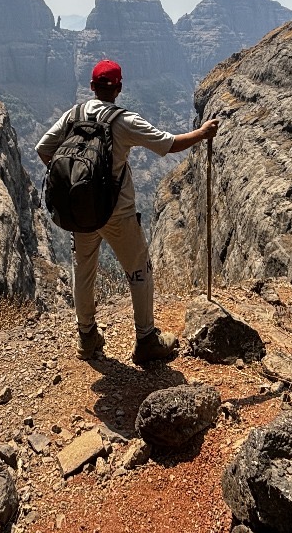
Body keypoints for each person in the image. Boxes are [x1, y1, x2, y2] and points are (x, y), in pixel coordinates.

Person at [37, 59, 220, 365]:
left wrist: (76, 187)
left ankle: (87, 339)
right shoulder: (124, 121)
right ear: (119, 88)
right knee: (139, 271)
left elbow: (44, 149)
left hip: (80, 213)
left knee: (83, 272)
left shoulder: (74, 114)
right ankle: (147, 339)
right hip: (118, 214)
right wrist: (202, 133)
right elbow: (170, 144)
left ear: (92, 86)